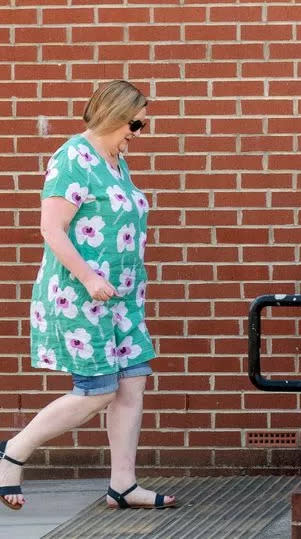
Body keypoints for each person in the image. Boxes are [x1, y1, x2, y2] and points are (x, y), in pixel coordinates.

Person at [0, 80, 176, 511]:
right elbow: (51, 229)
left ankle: (123, 484)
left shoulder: (116, 160)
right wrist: (89, 277)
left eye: (142, 125)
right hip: (80, 295)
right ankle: (11, 454)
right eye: (135, 123)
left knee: (132, 383)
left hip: (123, 298)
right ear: (114, 114)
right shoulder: (71, 158)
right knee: (97, 389)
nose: (138, 132)